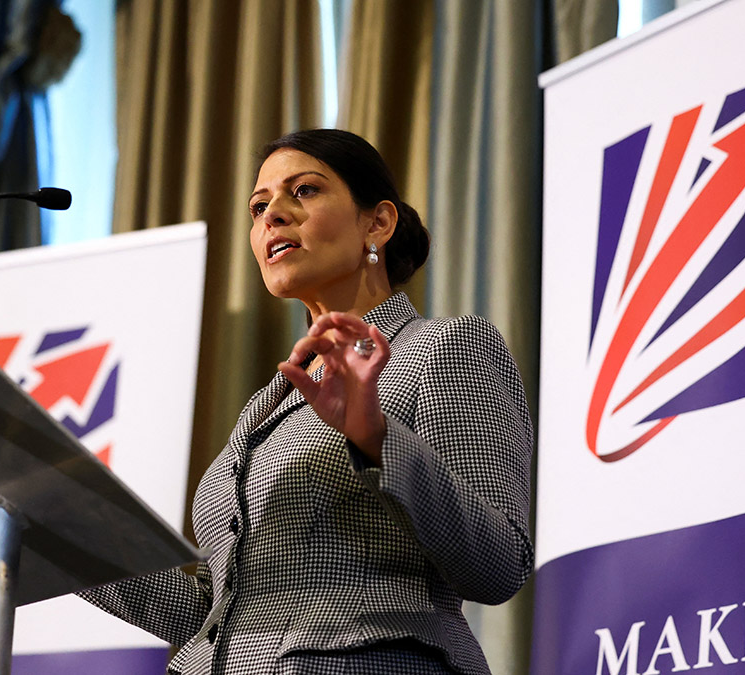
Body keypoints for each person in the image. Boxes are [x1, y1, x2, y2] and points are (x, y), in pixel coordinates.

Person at [80, 128, 533, 675]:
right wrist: (70, 534)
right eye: (258, 205)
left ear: (379, 223)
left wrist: (377, 439)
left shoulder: (445, 346)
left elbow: (500, 564)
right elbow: (227, 618)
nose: (272, 214)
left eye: (306, 191)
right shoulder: (268, 403)